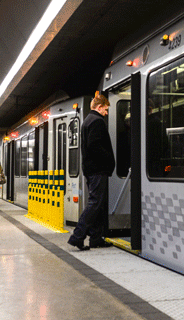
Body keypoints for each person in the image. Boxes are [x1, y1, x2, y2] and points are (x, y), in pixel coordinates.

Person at [68, 94, 115, 250]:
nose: (106, 113)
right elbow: (95, 146)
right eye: (106, 109)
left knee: (98, 203)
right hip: (97, 169)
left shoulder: (87, 121)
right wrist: (109, 158)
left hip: (91, 169)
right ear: (99, 107)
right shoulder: (97, 121)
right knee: (95, 203)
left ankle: (96, 238)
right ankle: (77, 236)